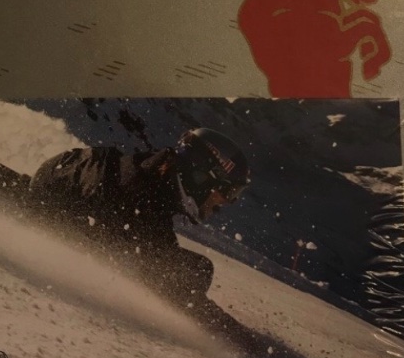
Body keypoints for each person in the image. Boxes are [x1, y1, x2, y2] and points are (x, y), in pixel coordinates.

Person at [26, 127, 250, 310]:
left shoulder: (157, 180)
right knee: (193, 271)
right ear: (202, 177)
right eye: (228, 192)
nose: (224, 203)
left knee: (194, 269)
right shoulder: (141, 196)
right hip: (52, 203)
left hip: (60, 184)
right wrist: (244, 342)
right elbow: (169, 290)